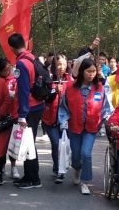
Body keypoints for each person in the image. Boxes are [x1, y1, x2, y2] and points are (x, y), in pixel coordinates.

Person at [58, 57, 112, 195]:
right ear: (82, 71)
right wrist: (63, 121)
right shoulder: (70, 88)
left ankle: (85, 181)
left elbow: (106, 108)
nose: (91, 74)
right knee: (76, 155)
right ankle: (77, 169)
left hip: (92, 127)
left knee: (86, 154)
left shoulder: (100, 88)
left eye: (93, 71)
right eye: (88, 71)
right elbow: (63, 107)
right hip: (74, 126)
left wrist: (107, 120)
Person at [8, 33, 45, 189]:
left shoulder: (21, 63)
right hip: (38, 104)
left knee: (28, 143)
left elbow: (23, 90)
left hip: (29, 107)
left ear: (12, 48)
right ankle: (32, 176)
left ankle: (32, 178)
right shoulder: (33, 58)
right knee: (30, 142)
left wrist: (22, 115)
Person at [42, 54, 74, 184]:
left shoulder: (70, 81)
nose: (61, 67)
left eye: (64, 64)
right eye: (59, 64)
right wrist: (54, 91)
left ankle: (61, 170)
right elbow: (44, 97)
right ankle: (56, 166)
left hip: (65, 119)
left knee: (63, 144)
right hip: (50, 118)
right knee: (55, 143)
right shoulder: (48, 79)